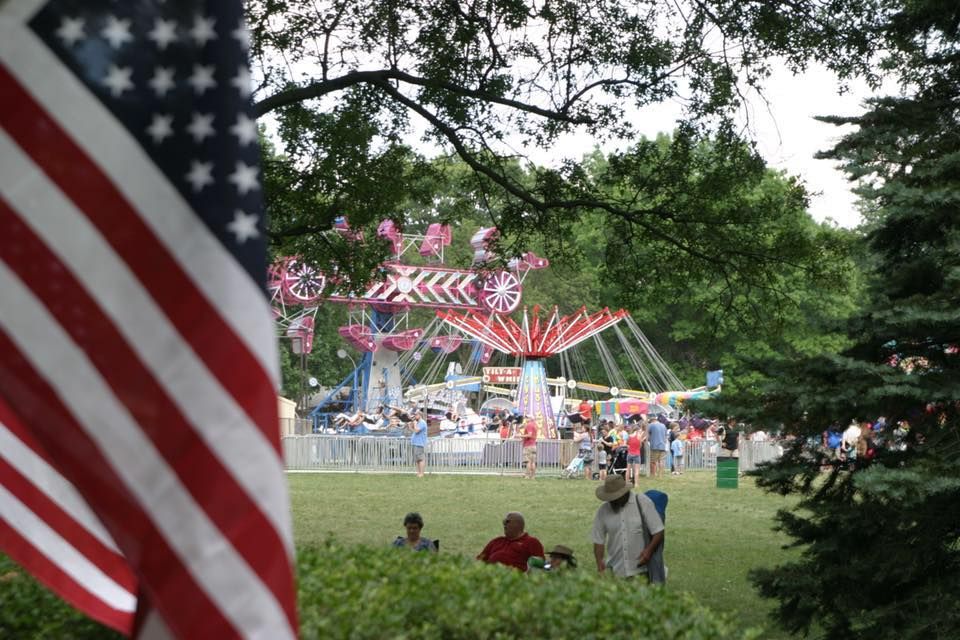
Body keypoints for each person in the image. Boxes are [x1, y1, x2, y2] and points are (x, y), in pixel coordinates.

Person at [591, 475, 665, 584]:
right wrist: (599, 564)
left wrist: (648, 551)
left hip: (641, 571)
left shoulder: (642, 502)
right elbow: (598, 541)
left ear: (624, 493)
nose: (612, 502)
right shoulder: (603, 511)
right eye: (610, 498)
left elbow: (658, 531)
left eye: (615, 498)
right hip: (616, 571)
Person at [477, 512, 544, 571]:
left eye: (507, 521)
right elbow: (479, 560)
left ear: (518, 524)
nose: (504, 524)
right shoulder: (497, 541)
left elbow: (539, 567)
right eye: (503, 522)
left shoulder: (531, 542)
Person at [409, 410, 428, 477]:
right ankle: (418, 473)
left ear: (419, 415)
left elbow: (417, 431)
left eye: (416, 415)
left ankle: (421, 473)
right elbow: (414, 431)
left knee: (421, 459)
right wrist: (410, 426)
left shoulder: (422, 422)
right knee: (417, 459)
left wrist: (414, 424)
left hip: (419, 443)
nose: (414, 416)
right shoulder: (418, 422)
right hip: (415, 442)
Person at [520, 415, 538, 479]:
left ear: (530, 418)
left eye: (527, 417)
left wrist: (521, 436)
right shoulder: (535, 425)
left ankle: (527, 476)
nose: (526, 419)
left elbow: (529, 435)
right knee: (533, 462)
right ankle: (533, 476)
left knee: (528, 462)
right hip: (533, 445)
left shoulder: (529, 425)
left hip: (528, 445)